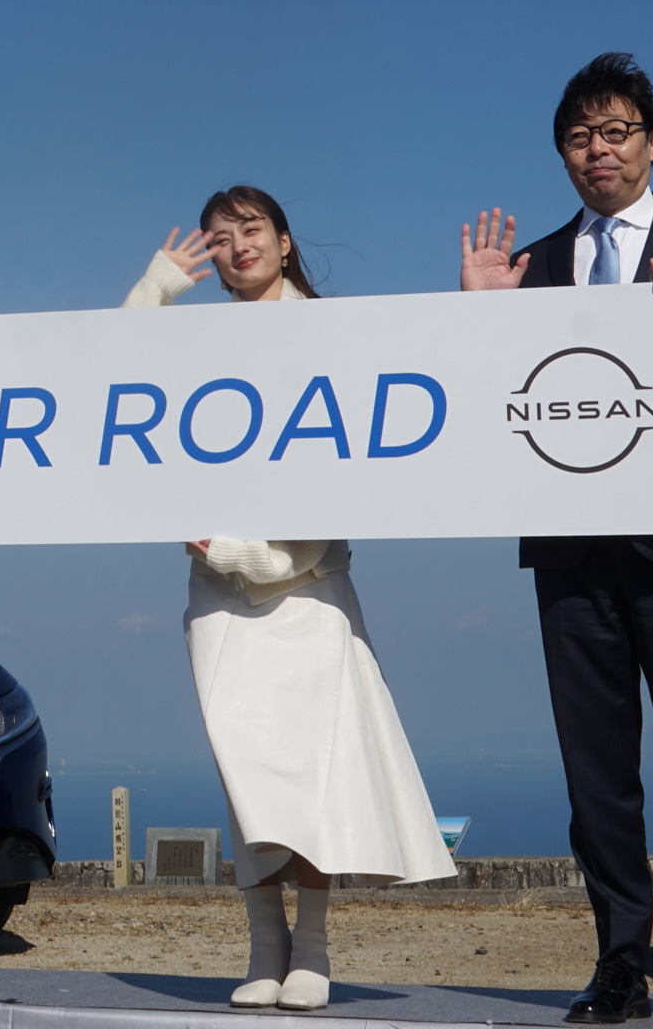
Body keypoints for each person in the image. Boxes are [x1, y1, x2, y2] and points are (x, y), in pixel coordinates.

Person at [458, 53, 653, 1029]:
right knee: (596, 775)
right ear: (563, 154)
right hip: (571, 555)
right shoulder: (532, 266)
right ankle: (620, 962)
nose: (600, 149)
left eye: (617, 131)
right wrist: (476, 321)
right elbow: (492, 409)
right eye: (580, 136)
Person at [123, 186, 456, 1013]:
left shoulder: (328, 332)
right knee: (249, 774)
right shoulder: (203, 338)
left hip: (307, 591)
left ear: (283, 239)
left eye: (251, 229)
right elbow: (118, 377)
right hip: (218, 597)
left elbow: (343, 470)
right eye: (219, 236)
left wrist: (251, 553)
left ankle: (311, 946)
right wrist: (156, 288)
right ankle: (263, 943)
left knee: (311, 775)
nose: (237, 246)